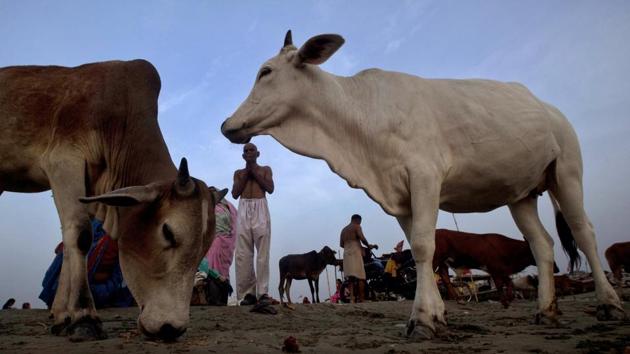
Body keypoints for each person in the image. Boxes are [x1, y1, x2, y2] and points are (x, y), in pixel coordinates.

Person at [39, 219, 134, 309]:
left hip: (99, 294)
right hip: (63, 294)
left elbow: (118, 281)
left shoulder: (121, 238)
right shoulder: (77, 234)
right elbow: (50, 278)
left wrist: (88, 291)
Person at [232, 143, 275, 306]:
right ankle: (247, 293)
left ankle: (262, 292)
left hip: (260, 207)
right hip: (243, 207)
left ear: (258, 153)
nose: (249, 152)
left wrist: (253, 170)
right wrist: (247, 171)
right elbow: (235, 193)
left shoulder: (265, 169)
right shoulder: (238, 173)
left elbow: (270, 188)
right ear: (243, 155)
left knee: (263, 251)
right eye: (246, 151)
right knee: (243, 253)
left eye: (251, 150)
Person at [193, 198, 238, 306]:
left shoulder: (227, 209)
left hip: (223, 244)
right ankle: (209, 297)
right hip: (212, 243)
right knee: (209, 272)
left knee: (218, 274)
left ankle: (218, 298)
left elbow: (233, 229)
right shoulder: (206, 209)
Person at [340, 214, 377, 303]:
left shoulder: (343, 230)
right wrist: (368, 245)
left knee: (351, 278)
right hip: (355, 252)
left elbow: (341, 244)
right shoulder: (357, 226)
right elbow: (362, 238)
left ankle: (352, 298)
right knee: (361, 276)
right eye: (360, 222)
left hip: (346, 253)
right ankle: (361, 298)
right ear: (358, 220)